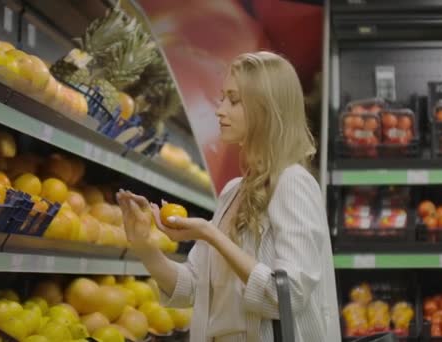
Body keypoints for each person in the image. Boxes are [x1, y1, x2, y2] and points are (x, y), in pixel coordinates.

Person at [116, 51, 340, 342]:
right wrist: (144, 245)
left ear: (267, 109)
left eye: (234, 100)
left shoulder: (293, 183)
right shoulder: (233, 191)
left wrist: (211, 234)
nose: (220, 110)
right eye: (222, 98)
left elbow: (285, 295)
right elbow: (192, 287)